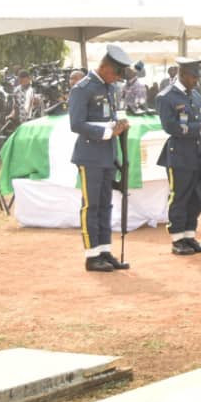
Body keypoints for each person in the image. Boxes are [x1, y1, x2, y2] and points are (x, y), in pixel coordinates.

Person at [68, 46, 133, 272]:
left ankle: (104, 250)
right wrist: (108, 132)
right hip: (90, 155)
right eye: (115, 73)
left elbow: (110, 116)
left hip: (107, 155)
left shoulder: (109, 87)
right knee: (91, 205)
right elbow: (76, 124)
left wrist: (120, 125)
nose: (116, 78)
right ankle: (91, 254)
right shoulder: (82, 88)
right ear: (104, 67)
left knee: (106, 205)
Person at [156, 58, 201, 256]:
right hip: (179, 153)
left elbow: (197, 120)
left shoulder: (196, 96)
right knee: (179, 197)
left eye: (198, 77)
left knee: (196, 198)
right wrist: (199, 126)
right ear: (182, 75)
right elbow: (171, 127)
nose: (196, 81)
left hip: (196, 152)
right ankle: (177, 238)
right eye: (193, 77)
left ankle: (189, 235)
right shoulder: (166, 97)